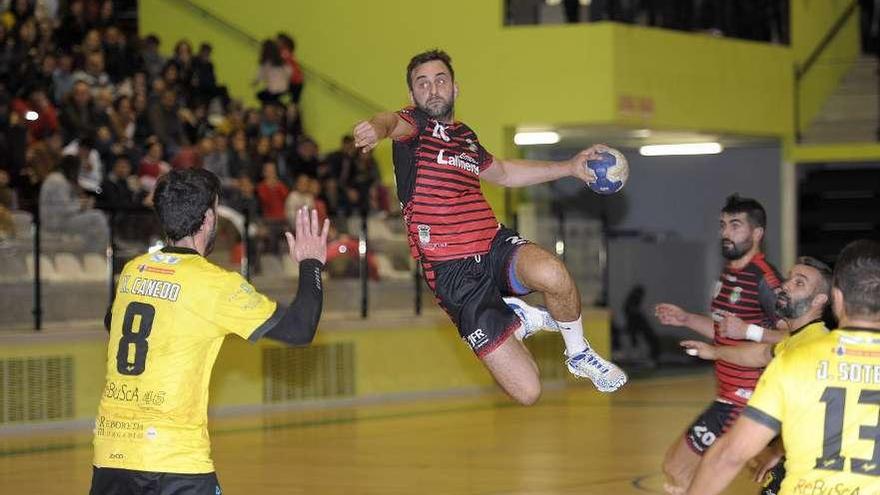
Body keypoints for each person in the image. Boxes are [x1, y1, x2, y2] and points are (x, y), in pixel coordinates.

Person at [352, 49, 626, 404]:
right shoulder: (413, 130)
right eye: (422, 83)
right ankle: (514, 315)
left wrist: (570, 167)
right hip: (453, 275)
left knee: (552, 273)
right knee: (528, 391)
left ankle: (578, 353)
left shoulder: (465, 136)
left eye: (440, 80)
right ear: (412, 96)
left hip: (494, 244)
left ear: (455, 88)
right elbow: (389, 121)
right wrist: (375, 127)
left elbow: (506, 173)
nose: (432, 89)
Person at [90, 168, 329, 495]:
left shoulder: (133, 270)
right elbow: (300, 330)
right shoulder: (214, 284)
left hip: (110, 457)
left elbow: (112, 323)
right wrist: (311, 264)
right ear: (207, 219)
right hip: (173, 462)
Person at [686, 240, 880, 495]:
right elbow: (763, 352)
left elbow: (729, 455)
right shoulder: (793, 349)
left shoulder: (795, 361)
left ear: (836, 297)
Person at [654, 194, 782, 494]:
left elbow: (792, 339)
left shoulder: (766, 280)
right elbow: (724, 332)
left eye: (735, 225)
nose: (726, 233)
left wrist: (748, 330)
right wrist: (686, 319)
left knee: (685, 469)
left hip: (749, 398)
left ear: (757, 233)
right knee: (680, 468)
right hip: (727, 396)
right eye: (723, 225)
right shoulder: (729, 274)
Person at [680, 256, 833, 495]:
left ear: (819, 300)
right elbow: (761, 354)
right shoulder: (801, 340)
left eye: (799, 283)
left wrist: (777, 450)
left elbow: (818, 415)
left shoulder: (809, 348)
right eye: (790, 278)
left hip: (816, 473)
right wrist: (714, 352)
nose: (786, 285)